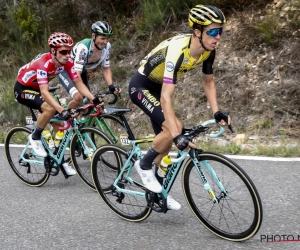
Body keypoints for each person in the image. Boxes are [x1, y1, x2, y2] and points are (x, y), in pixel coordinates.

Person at [128, 5, 231, 210]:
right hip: (141, 86)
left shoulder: (208, 50)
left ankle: (156, 191)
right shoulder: (177, 50)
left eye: (220, 31)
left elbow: (208, 82)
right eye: (212, 31)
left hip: (159, 88)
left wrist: (216, 111)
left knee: (165, 143)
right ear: (197, 32)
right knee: (173, 129)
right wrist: (177, 135)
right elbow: (166, 97)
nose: (217, 36)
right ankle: (144, 165)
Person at [14, 32, 103, 175]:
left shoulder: (68, 62)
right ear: (53, 51)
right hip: (23, 89)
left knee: (60, 125)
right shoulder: (44, 63)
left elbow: (78, 83)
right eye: (63, 52)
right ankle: (35, 136)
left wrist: (93, 98)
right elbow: (44, 92)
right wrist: (62, 109)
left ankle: (58, 159)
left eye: (69, 51)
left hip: (38, 89)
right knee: (50, 109)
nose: (67, 55)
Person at [58, 21, 121, 109]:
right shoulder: (83, 48)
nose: (105, 42)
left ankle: (81, 121)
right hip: (66, 71)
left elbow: (106, 69)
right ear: (93, 36)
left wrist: (111, 85)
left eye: (107, 38)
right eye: (102, 38)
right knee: (79, 97)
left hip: (81, 70)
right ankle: (66, 117)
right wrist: (90, 96)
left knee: (88, 104)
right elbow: (77, 76)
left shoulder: (107, 47)